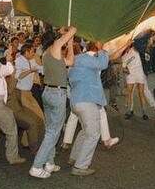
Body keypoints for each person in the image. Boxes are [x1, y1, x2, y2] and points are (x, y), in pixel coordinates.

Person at [29, 27, 77, 179]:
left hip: (49, 92)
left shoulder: (47, 53)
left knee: (50, 130)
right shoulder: (56, 47)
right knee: (53, 132)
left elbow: (70, 61)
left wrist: (70, 43)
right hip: (57, 94)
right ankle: (36, 166)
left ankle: (49, 163)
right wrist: (65, 32)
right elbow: (74, 29)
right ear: (55, 38)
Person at [67, 41, 109, 176]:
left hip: (77, 101)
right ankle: (80, 166)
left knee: (85, 131)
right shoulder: (87, 60)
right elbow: (103, 63)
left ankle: (74, 157)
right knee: (93, 134)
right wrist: (102, 49)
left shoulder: (77, 60)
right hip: (87, 100)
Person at [122, 41, 151, 119]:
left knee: (141, 93)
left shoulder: (137, 50)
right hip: (131, 76)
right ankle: (129, 111)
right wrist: (129, 71)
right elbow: (123, 68)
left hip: (140, 74)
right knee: (129, 94)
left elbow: (147, 57)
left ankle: (144, 112)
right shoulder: (124, 56)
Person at [14, 45, 45, 121]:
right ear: (26, 52)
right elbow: (18, 76)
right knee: (30, 115)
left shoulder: (31, 61)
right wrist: (30, 71)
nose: (33, 54)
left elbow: (40, 69)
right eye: (32, 52)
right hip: (21, 92)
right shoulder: (19, 61)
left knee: (37, 113)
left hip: (28, 91)